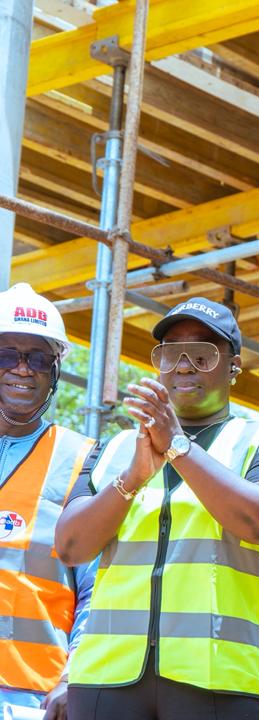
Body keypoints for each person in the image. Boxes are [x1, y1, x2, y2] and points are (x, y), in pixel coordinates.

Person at [55, 297, 259, 720]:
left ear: (234, 367)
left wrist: (178, 446)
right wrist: (132, 477)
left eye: (202, 355)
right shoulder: (116, 448)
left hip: (218, 681)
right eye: (171, 354)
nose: (184, 366)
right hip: (105, 679)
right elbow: (71, 546)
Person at [0, 283, 97, 720]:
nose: (22, 369)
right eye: (7, 355)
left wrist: (75, 676)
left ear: (55, 370)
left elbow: (99, 589)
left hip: (34, 700)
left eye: (38, 358)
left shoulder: (84, 461)